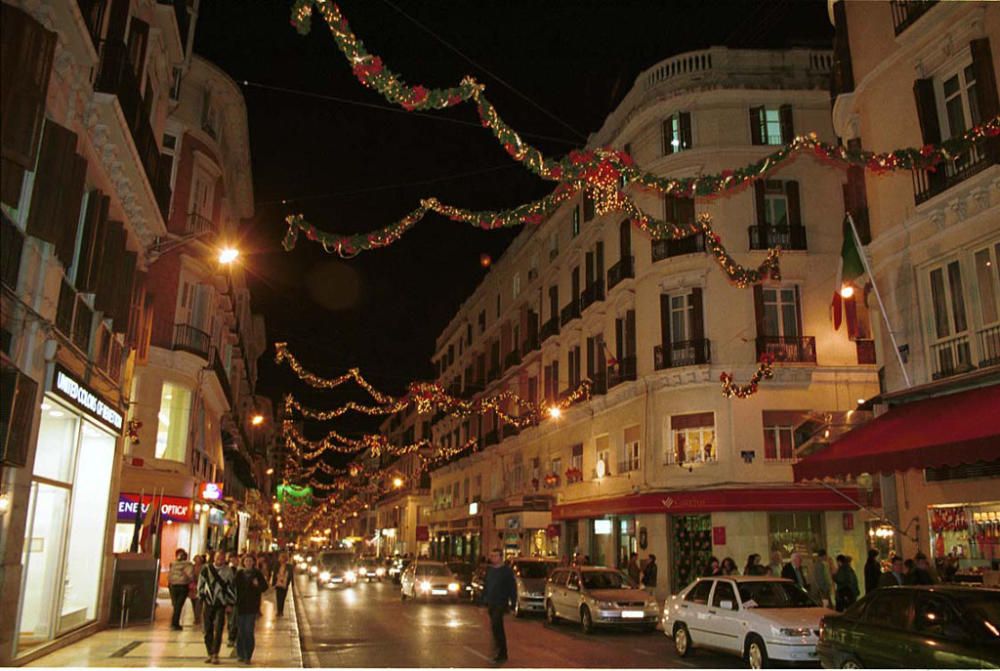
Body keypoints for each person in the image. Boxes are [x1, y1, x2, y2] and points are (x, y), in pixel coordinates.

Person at [198, 550, 236, 665]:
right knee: (207, 628)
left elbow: (231, 587)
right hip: (208, 602)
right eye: (218, 557)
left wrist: (230, 603)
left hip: (221, 603)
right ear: (214, 558)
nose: (220, 559)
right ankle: (209, 652)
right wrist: (201, 597)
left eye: (222, 557)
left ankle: (215, 653)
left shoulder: (228, 571)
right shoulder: (206, 569)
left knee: (219, 628)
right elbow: (201, 583)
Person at [481, 548, 517, 664]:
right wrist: (483, 600)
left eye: (495, 556)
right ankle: (500, 650)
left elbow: (512, 588)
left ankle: (501, 652)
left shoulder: (506, 571)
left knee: (497, 626)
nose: (492, 558)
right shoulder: (490, 570)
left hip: (501, 603)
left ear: (500, 557)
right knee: (495, 627)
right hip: (491, 602)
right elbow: (486, 586)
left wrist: (513, 604)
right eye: (491, 556)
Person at [235, 555, 268, 664]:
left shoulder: (257, 574)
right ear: (243, 562)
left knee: (248, 631)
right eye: (246, 561)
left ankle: (247, 655)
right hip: (240, 606)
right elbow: (233, 587)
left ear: (253, 562)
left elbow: (265, 587)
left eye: (250, 561)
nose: (248, 563)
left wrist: (257, 585)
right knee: (240, 631)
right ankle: (240, 653)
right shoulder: (239, 574)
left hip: (252, 606)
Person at [168, 549, 194, 630]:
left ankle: (173, 623)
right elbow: (190, 575)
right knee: (178, 606)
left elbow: (169, 575)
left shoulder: (173, 564)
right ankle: (174, 623)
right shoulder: (188, 564)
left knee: (176, 605)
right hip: (183, 586)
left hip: (173, 586)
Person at [271, 553, 294, 617]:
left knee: (283, 598)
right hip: (278, 583)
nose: (281, 559)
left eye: (283, 558)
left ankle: (281, 611)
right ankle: (279, 611)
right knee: (278, 597)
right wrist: (273, 583)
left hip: (285, 584)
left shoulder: (289, 566)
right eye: (281, 558)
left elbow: (291, 575)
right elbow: (274, 574)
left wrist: (292, 583)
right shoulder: (277, 566)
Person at [226, 552, 240, 647]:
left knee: (235, 620)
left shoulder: (240, 571)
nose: (233, 562)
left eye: (234, 560)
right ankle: (231, 637)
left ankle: (233, 638)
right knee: (231, 620)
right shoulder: (227, 571)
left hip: (238, 599)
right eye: (231, 560)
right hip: (229, 599)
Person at [191, 554, 206, 625]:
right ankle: (196, 616)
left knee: (198, 603)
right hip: (193, 587)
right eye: (196, 559)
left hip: (201, 586)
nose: (197, 561)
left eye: (199, 559)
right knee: (193, 602)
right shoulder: (192, 567)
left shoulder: (204, 567)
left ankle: (197, 618)